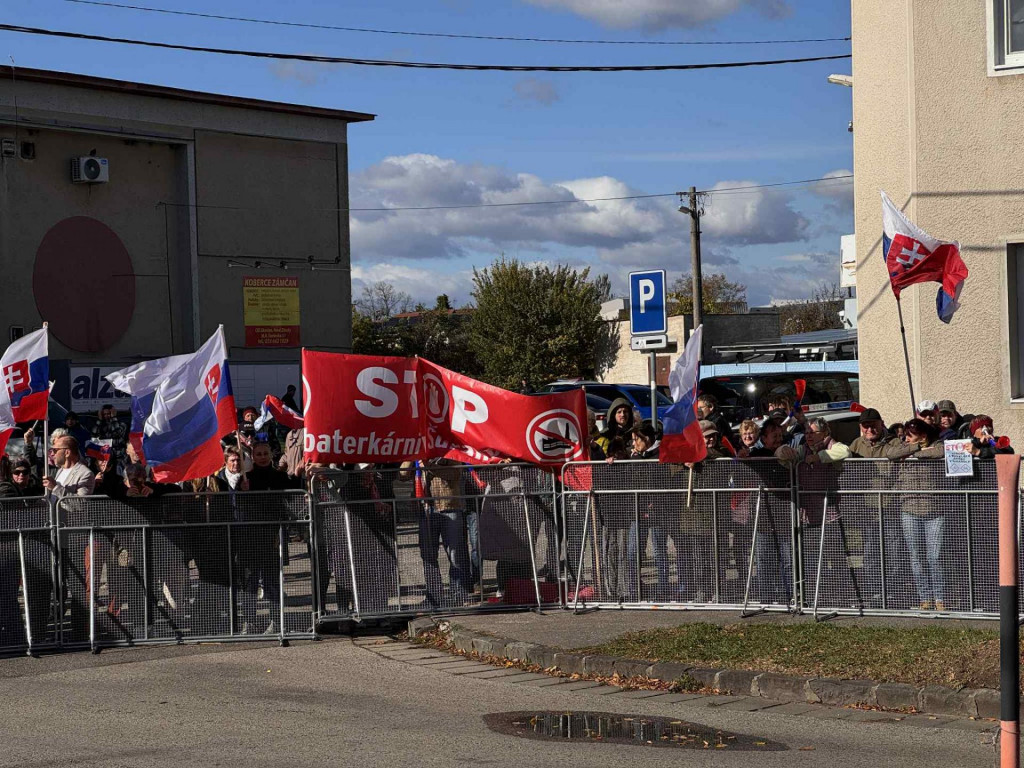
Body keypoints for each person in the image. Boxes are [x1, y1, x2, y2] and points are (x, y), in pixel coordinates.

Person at [399, 458, 472, 608]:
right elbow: (402, 475)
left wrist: (430, 466)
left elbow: (454, 473)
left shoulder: (449, 453)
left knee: (455, 553)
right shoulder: (417, 457)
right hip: (426, 508)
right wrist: (411, 457)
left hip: (449, 506)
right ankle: (434, 595)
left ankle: (458, 593)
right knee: (428, 554)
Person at [898, 418, 946, 611]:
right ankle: (924, 597)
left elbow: (941, 451)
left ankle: (940, 597)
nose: (906, 438)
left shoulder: (936, 445)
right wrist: (914, 449)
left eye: (910, 435)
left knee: (934, 556)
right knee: (915, 556)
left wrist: (919, 452)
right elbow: (891, 453)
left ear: (923, 435)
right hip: (909, 510)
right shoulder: (903, 447)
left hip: (934, 511)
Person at [848, 408, 922, 459]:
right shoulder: (856, 444)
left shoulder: (895, 443)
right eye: (866, 426)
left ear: (882, 424)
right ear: (860, 426)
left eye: (873, 426)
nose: (870, 430)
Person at [91, 404, 129, 469]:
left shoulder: (122, 424)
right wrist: (99, 420)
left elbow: (118, 434)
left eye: (108, 414)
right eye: (104, 414)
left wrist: (113, 418)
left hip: (119, 456)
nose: (106, 416)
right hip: (105, 457)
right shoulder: (101, 425)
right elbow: (94, 435)